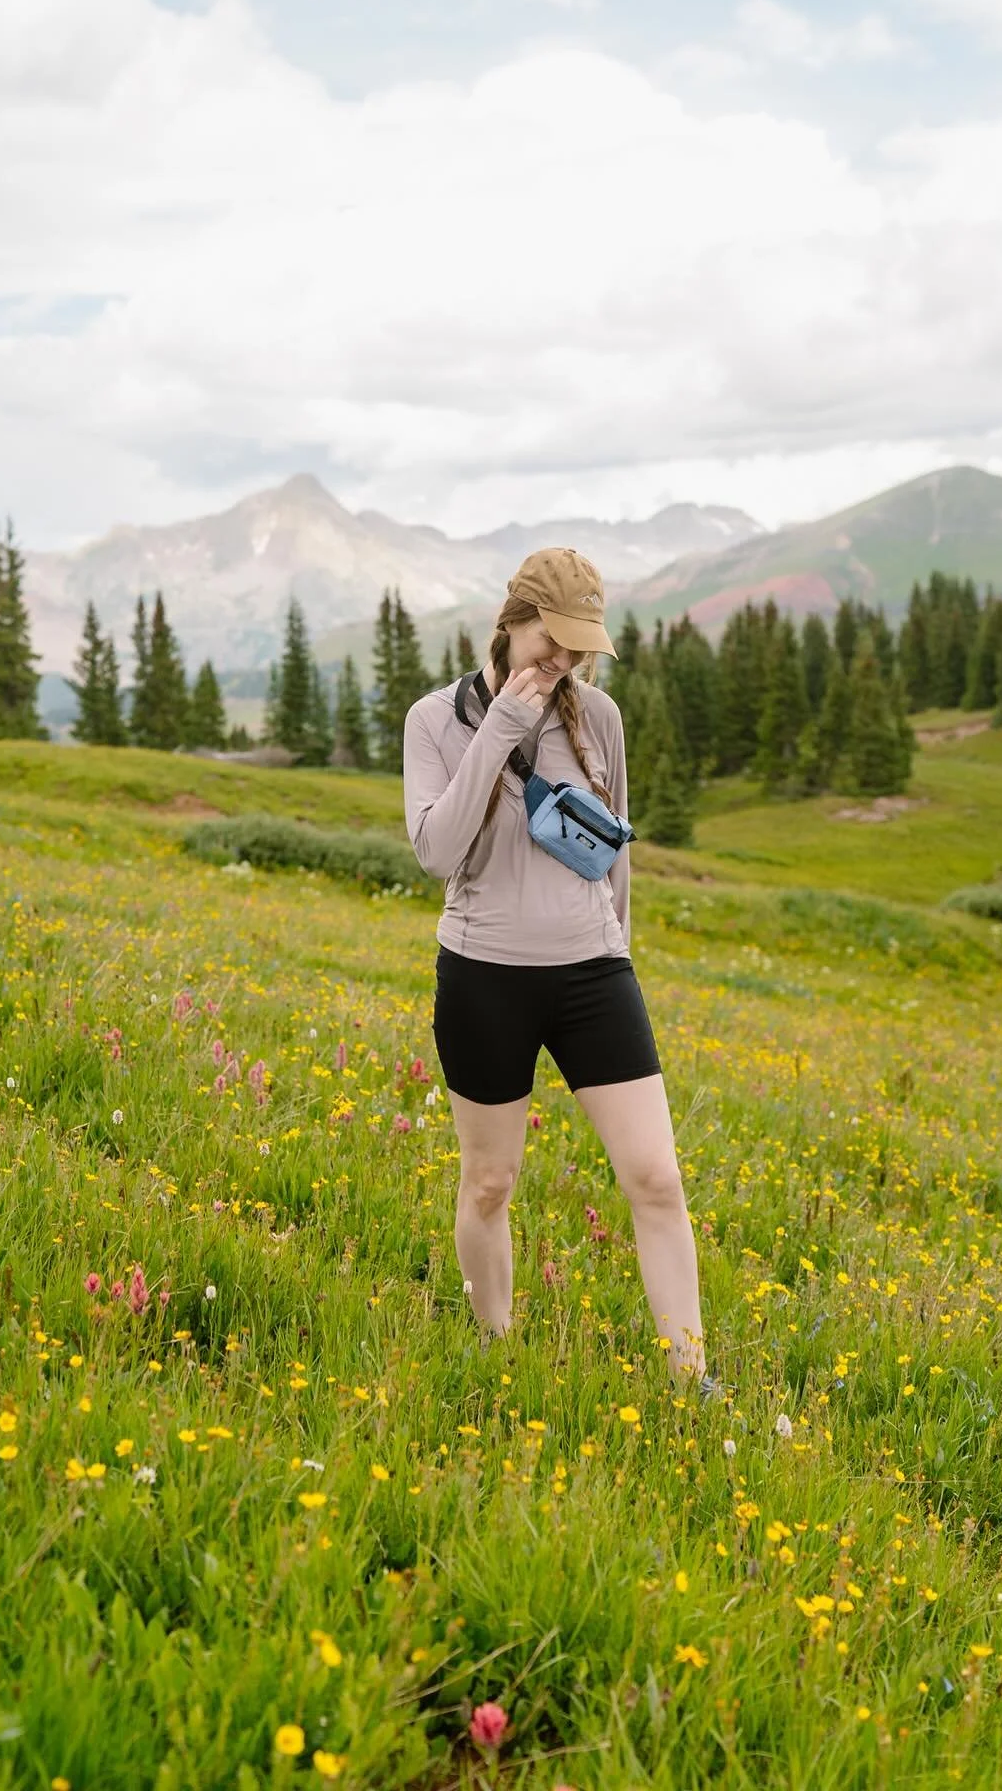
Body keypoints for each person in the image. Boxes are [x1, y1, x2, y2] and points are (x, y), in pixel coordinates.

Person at [402, 547, 712, 1389]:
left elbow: (615, 848)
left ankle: (693, 1380)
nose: (566, 662)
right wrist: (501, 727)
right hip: (484, 977)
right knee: (491, 1182)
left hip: (592, 977)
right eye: (554, 642)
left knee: (656, 1175)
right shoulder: (435, 720)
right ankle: (495, 1348)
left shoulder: (599, 716)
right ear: (513, 624)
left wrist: (616, 943)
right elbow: (436, 849)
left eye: (580, 647)